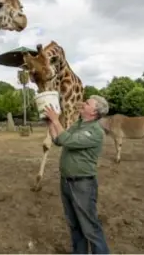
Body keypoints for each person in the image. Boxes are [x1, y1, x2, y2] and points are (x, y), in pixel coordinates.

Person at [44, 95, 110, 254]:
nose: (83, 104)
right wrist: (50, 123)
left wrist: (56, 120)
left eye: (87, 103)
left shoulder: (95, 131)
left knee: (90, 228)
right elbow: (59, 140)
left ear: (94, 112)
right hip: (66, 182)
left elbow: (68, 141)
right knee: (74, 225)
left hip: (82, 185)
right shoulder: (79, 124)